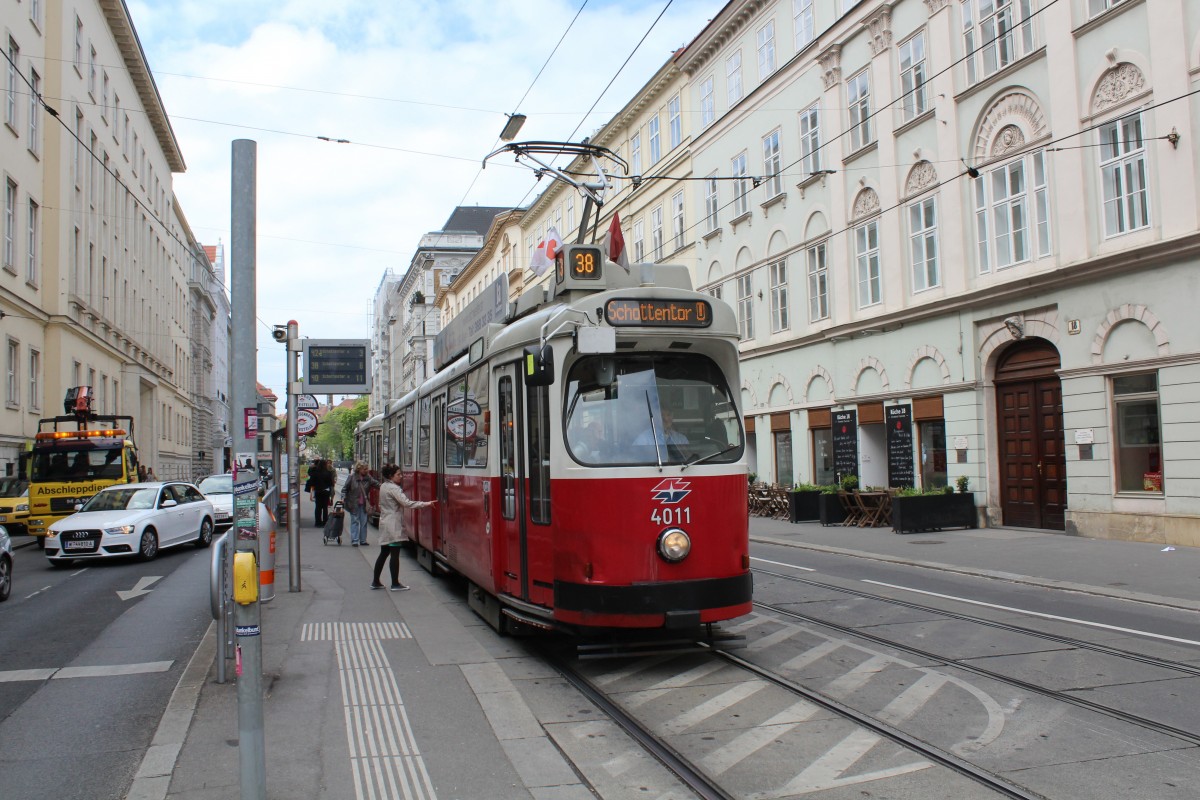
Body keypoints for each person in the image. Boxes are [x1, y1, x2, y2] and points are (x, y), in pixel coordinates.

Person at [370, 464, 435, 592]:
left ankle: (375, 581)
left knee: (384, 553)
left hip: (385, 522)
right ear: (391, 476)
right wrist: (426, 503)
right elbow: (407, 503)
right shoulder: (395, 489)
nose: (401, 476)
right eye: (398, 474)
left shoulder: (383, 486)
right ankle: (395, 583)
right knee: (395, 554)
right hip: (394, 525)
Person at [341, 461, 379, 547]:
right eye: (364, 469)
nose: (367, 470)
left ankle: (363, 540)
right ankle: (355, 540)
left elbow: (376, 484)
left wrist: (386, 487)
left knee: (364, 522)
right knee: (355, 521)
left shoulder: (368, 478)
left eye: (367, 469)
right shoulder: (352, 477)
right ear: (359, 469)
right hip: (353, 503)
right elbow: (344, 489)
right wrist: (343, 499)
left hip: (364, 504)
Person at [306, 459, 335, 527]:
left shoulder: (315, 473)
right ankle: (325, 521)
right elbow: (331, 483)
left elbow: (312, 482)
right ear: (325, 465)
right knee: (325, 507)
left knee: (318, 507)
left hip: (318, 491)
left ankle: (318, 522)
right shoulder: (328, 473)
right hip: (326, 492)